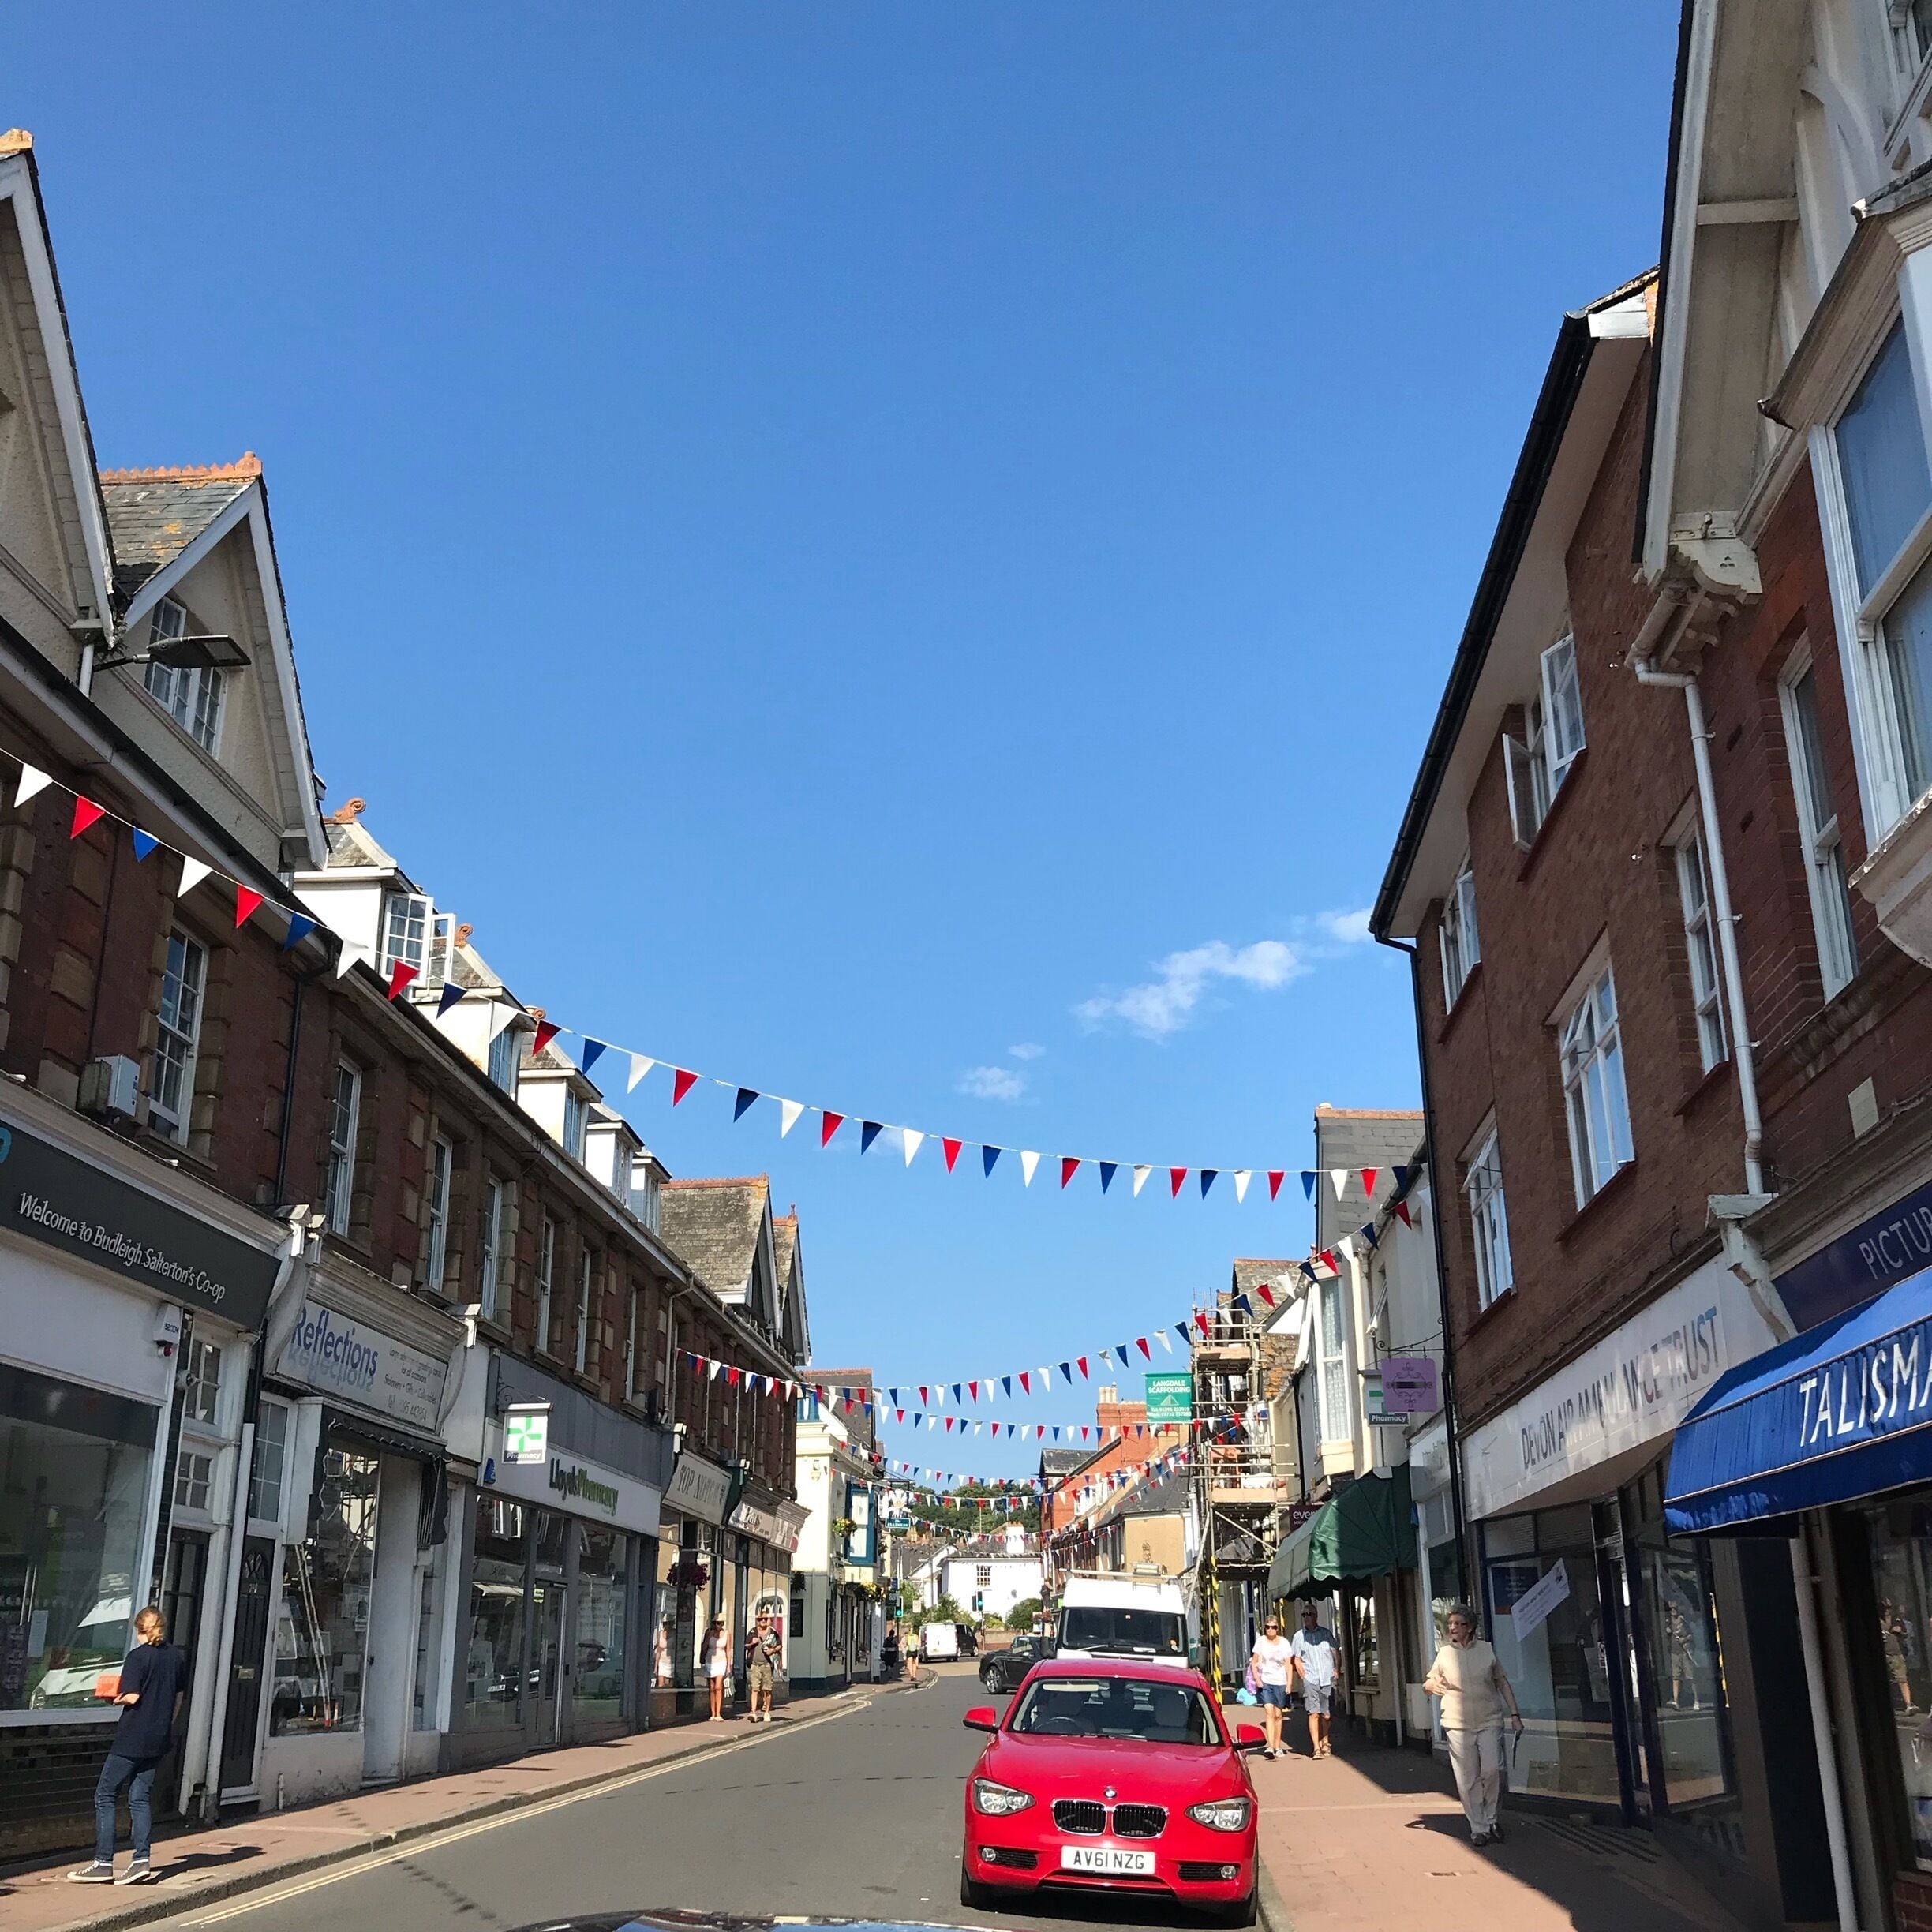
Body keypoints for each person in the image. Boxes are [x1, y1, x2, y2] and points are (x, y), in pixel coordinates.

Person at [69, 1605, 188, 1885]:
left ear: (140, 1630)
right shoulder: (175, 1657)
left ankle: (103, 1863)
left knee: (105, 1795)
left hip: (132, 1736)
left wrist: (111, 1697)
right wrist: (165, 1725)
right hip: (159, 1738)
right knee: (140, 1797)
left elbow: (132, 1697)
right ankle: (141, 1861)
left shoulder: (137, 1657)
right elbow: (179, 1697)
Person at [1423, 1603, 1523, 1848]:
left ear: (1471, 1628)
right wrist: (1431, 1687)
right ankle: (1479, 1827)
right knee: (1467, 1778)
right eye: (1451, 1625)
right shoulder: (1445, 1654)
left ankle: (1492, 1819)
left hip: (1489, 1718)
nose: (1453, 1628)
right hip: (1457, 1723)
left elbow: (1502, 1682)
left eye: (1459, 1624)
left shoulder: (1487, 1650)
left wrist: (1515, 1714)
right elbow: (1428, 1683)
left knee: (1493, 1771)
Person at [1288, 1602, 1340, 1758]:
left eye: (1309, 1614)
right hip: (1311, 1679)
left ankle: (1326, 1741)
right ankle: (1316, 1747)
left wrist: (1337, 1669)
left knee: (1326, 1715)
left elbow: (1335, 1651)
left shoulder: (1326, 1633)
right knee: (1314, 1713)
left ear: (1315, 1616)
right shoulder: (1299, 1636)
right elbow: (1296, 1658)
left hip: (1325, 1678)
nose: (1306, 1618)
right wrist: (1303, 1675)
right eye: (1304, 1615)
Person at [1249, 1616, 1296, 1759]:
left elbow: (1289, 1664)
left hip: (1280, 1681)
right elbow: (1254, 1661)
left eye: (1274, 1627)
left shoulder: (1284, 1643)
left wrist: (1289, 1683)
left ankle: (1277, 1746)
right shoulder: (1261, 1642)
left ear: (1277, 1628)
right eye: (1268, 1627)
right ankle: (1270, 1746)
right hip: (1266, 1681)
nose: (1271, 1630)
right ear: (1265, 1628)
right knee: (1269, 1712)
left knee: (1278, 1714)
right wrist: (1257, 1678)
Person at [747, 1612, 781, 1722]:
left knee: (767, 1689)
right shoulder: (753, 1631)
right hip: (755, 1664)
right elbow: (746, 1645)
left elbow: (779, 1645)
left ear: (768, 1620)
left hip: (767, 1664)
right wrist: (752, 1643)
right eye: (760, 1619)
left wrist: (773, 1650)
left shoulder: (772, 1633)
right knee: (755, 1688)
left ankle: (767, 1712)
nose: (763, 1621)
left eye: (765, 1619)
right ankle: (753, 1712)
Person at [703, 1616, 730, 1720]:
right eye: (715, 1623)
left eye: (719, 1623)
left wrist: (729, 1665)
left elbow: (728, 1650)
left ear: (722, 1623)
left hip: (721, 1661)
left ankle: (719, 1713)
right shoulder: (709, 1633)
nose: (717, 1625)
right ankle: (713, 1713)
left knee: (719, 1687)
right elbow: (704, 1647)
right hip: (710, 1661)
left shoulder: (727, 1634)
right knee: (712, 1688)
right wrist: (707, 1638)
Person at [654, 1616, 674, 1688]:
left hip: (672, 1661)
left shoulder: (675, 1633)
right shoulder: (660, 1634)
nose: (667, 1625)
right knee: (661, 1685)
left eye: (669, 1623)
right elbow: (659, 1650)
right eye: (665, 1624)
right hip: (662, 1661)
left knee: (671, 1685)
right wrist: (656, 1666)